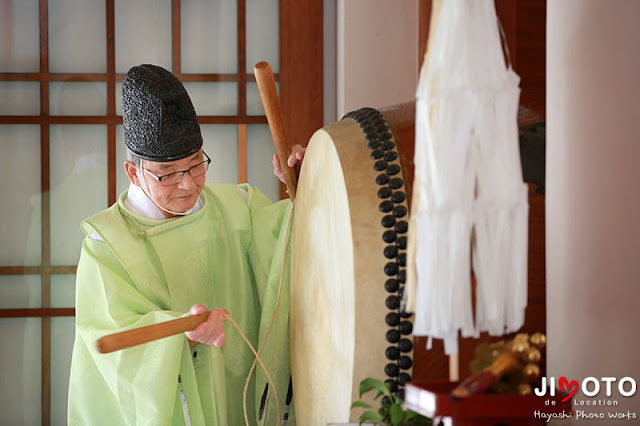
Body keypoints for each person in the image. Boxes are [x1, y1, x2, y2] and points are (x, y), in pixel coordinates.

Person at [67, 64, 305, 426]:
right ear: (134, 172)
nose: (187, 184)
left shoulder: (238, 208)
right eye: (168, 174)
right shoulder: (107, 246)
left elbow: (297, 248)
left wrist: (309, 186)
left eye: (196, 165)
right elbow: (116, 355)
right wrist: (181, 336)